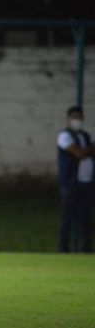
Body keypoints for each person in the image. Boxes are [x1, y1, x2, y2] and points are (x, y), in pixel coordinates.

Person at [57, 106, 94, 253]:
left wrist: (86, 152)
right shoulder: (64, 136)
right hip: (71, 183)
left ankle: (86, 249)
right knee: (68, 218)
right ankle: (63, 249)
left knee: (86, 218)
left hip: (86, 183)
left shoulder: (85, 136)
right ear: (68, 119)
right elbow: (78, 153)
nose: (78, 121)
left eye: (80, 117)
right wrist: (88, 151)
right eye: (75, 118)